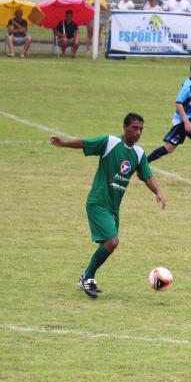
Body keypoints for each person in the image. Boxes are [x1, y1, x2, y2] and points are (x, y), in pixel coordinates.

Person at [49, 113, 166, 299]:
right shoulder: (110, 142)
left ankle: (86, 277)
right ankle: (87, 277)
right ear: (125, 127)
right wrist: (63, 143)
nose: (138, 132)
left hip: (113, 207)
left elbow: (147, 176)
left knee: (109, 244)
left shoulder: (138, 153)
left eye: (141, 129)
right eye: (134, 128)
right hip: (98, 201)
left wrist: (158, 192)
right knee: (112, 241)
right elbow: (84, 143)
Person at [147, 60, 191, 185]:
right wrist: (186, 121)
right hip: (182, 120)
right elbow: (178, 103)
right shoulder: (187, 85)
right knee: (169, 148)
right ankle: (143, 163)